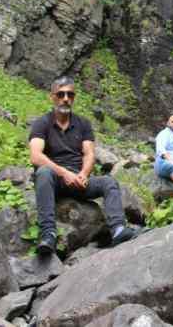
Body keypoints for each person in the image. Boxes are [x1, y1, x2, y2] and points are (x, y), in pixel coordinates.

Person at [29, 76, 135, 254]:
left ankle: (118, 229)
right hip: (55, 180)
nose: (65, 98)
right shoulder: (42, 123)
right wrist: (64, 173)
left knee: (108, 182)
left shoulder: (83, 124)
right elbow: (35, 156)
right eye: (60, 94)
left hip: (79, 180)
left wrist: (84, 174)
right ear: (52, 97)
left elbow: (89, 153)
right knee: (44, 172)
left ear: (73, 98)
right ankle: (48, 234)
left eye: (70, 95)